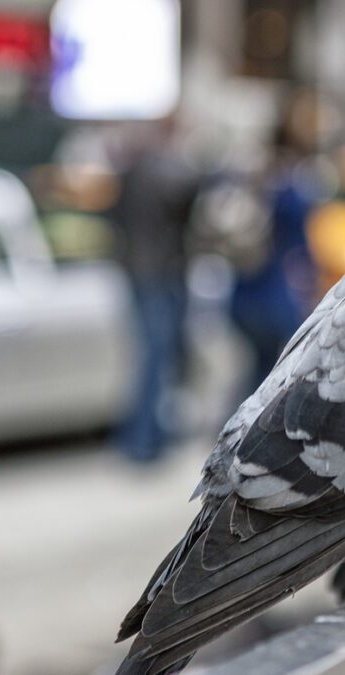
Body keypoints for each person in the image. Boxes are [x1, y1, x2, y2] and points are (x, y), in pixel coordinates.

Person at [110, 119, 200, 462]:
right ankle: (144, 441)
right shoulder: (164, 171)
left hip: (139, 271)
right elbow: (188, 192)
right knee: (155, 358)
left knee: (150, 356)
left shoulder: (130, 171)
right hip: (158, 273)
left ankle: (147, 435)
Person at [228, 91, 321, 393]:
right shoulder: (293, 180)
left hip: (246, 288)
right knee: (271, 376)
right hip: (274, 292)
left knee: (258, 370)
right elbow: (299, 241)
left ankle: (235, 430)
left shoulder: (258, 173)